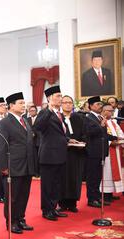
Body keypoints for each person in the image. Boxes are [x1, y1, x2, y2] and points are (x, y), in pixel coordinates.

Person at [0, 92, 35, 234]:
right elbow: (0, 146)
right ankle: (11, 222)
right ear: (11, 106)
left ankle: (20, 219)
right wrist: (4, 166)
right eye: (21, 103)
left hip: (27, 165)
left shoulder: (24, 121)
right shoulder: (5, 122)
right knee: (12, 197)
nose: (24, 106)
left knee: (24, 194)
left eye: (24, 103)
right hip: (13, 166)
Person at [33, 86, 75, 221]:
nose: (60, 98)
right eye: (57, 95)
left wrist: (69, 139)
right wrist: (49, 109)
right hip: (49, 155)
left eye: (60, 95)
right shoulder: (45, 112)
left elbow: (58, 133)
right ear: (49, 98)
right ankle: (47, 210)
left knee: (57, 184)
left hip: (60, 154)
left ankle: (53, 207)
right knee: (48, 185)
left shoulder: (59, 114)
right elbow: (38, 127)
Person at [84, 96, 118, 207]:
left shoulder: (99, 117)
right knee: (92, 177)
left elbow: (102, 134)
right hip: (92, 152)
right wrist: (101, 126)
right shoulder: (88, 117)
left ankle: (97, 197)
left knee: (98, 176)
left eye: (100, 104)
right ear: (90, 106)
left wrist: (114, 137)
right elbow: (88, 132)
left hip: (101, 151)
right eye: (97, 104)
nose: (100, 106)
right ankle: (91, 199)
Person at [58, 95, 87, 213]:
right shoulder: (58, 118)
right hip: (63, 153)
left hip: (76, 152)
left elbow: (85, 132)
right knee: (63, 178)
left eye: (70, 102)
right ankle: (62, 203)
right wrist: (67, 141)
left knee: (75, 177)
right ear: (61, 104)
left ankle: (73, 202)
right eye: (65, 102)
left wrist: (83, 141)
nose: (68, 104)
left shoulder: (79, 118)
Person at [100, 104, 124, 202]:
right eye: (110, 111)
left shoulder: (114, 122)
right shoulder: (101, 121)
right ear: (104, 111)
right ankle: (105, 194)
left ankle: (110, 193)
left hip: (116, 150)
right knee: (106, 172)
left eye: (112, 111)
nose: (112, 112)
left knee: (112, 172)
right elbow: (101, 136)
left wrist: (120, 140)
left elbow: (120, 134)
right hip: (106, 151)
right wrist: (110, 142)